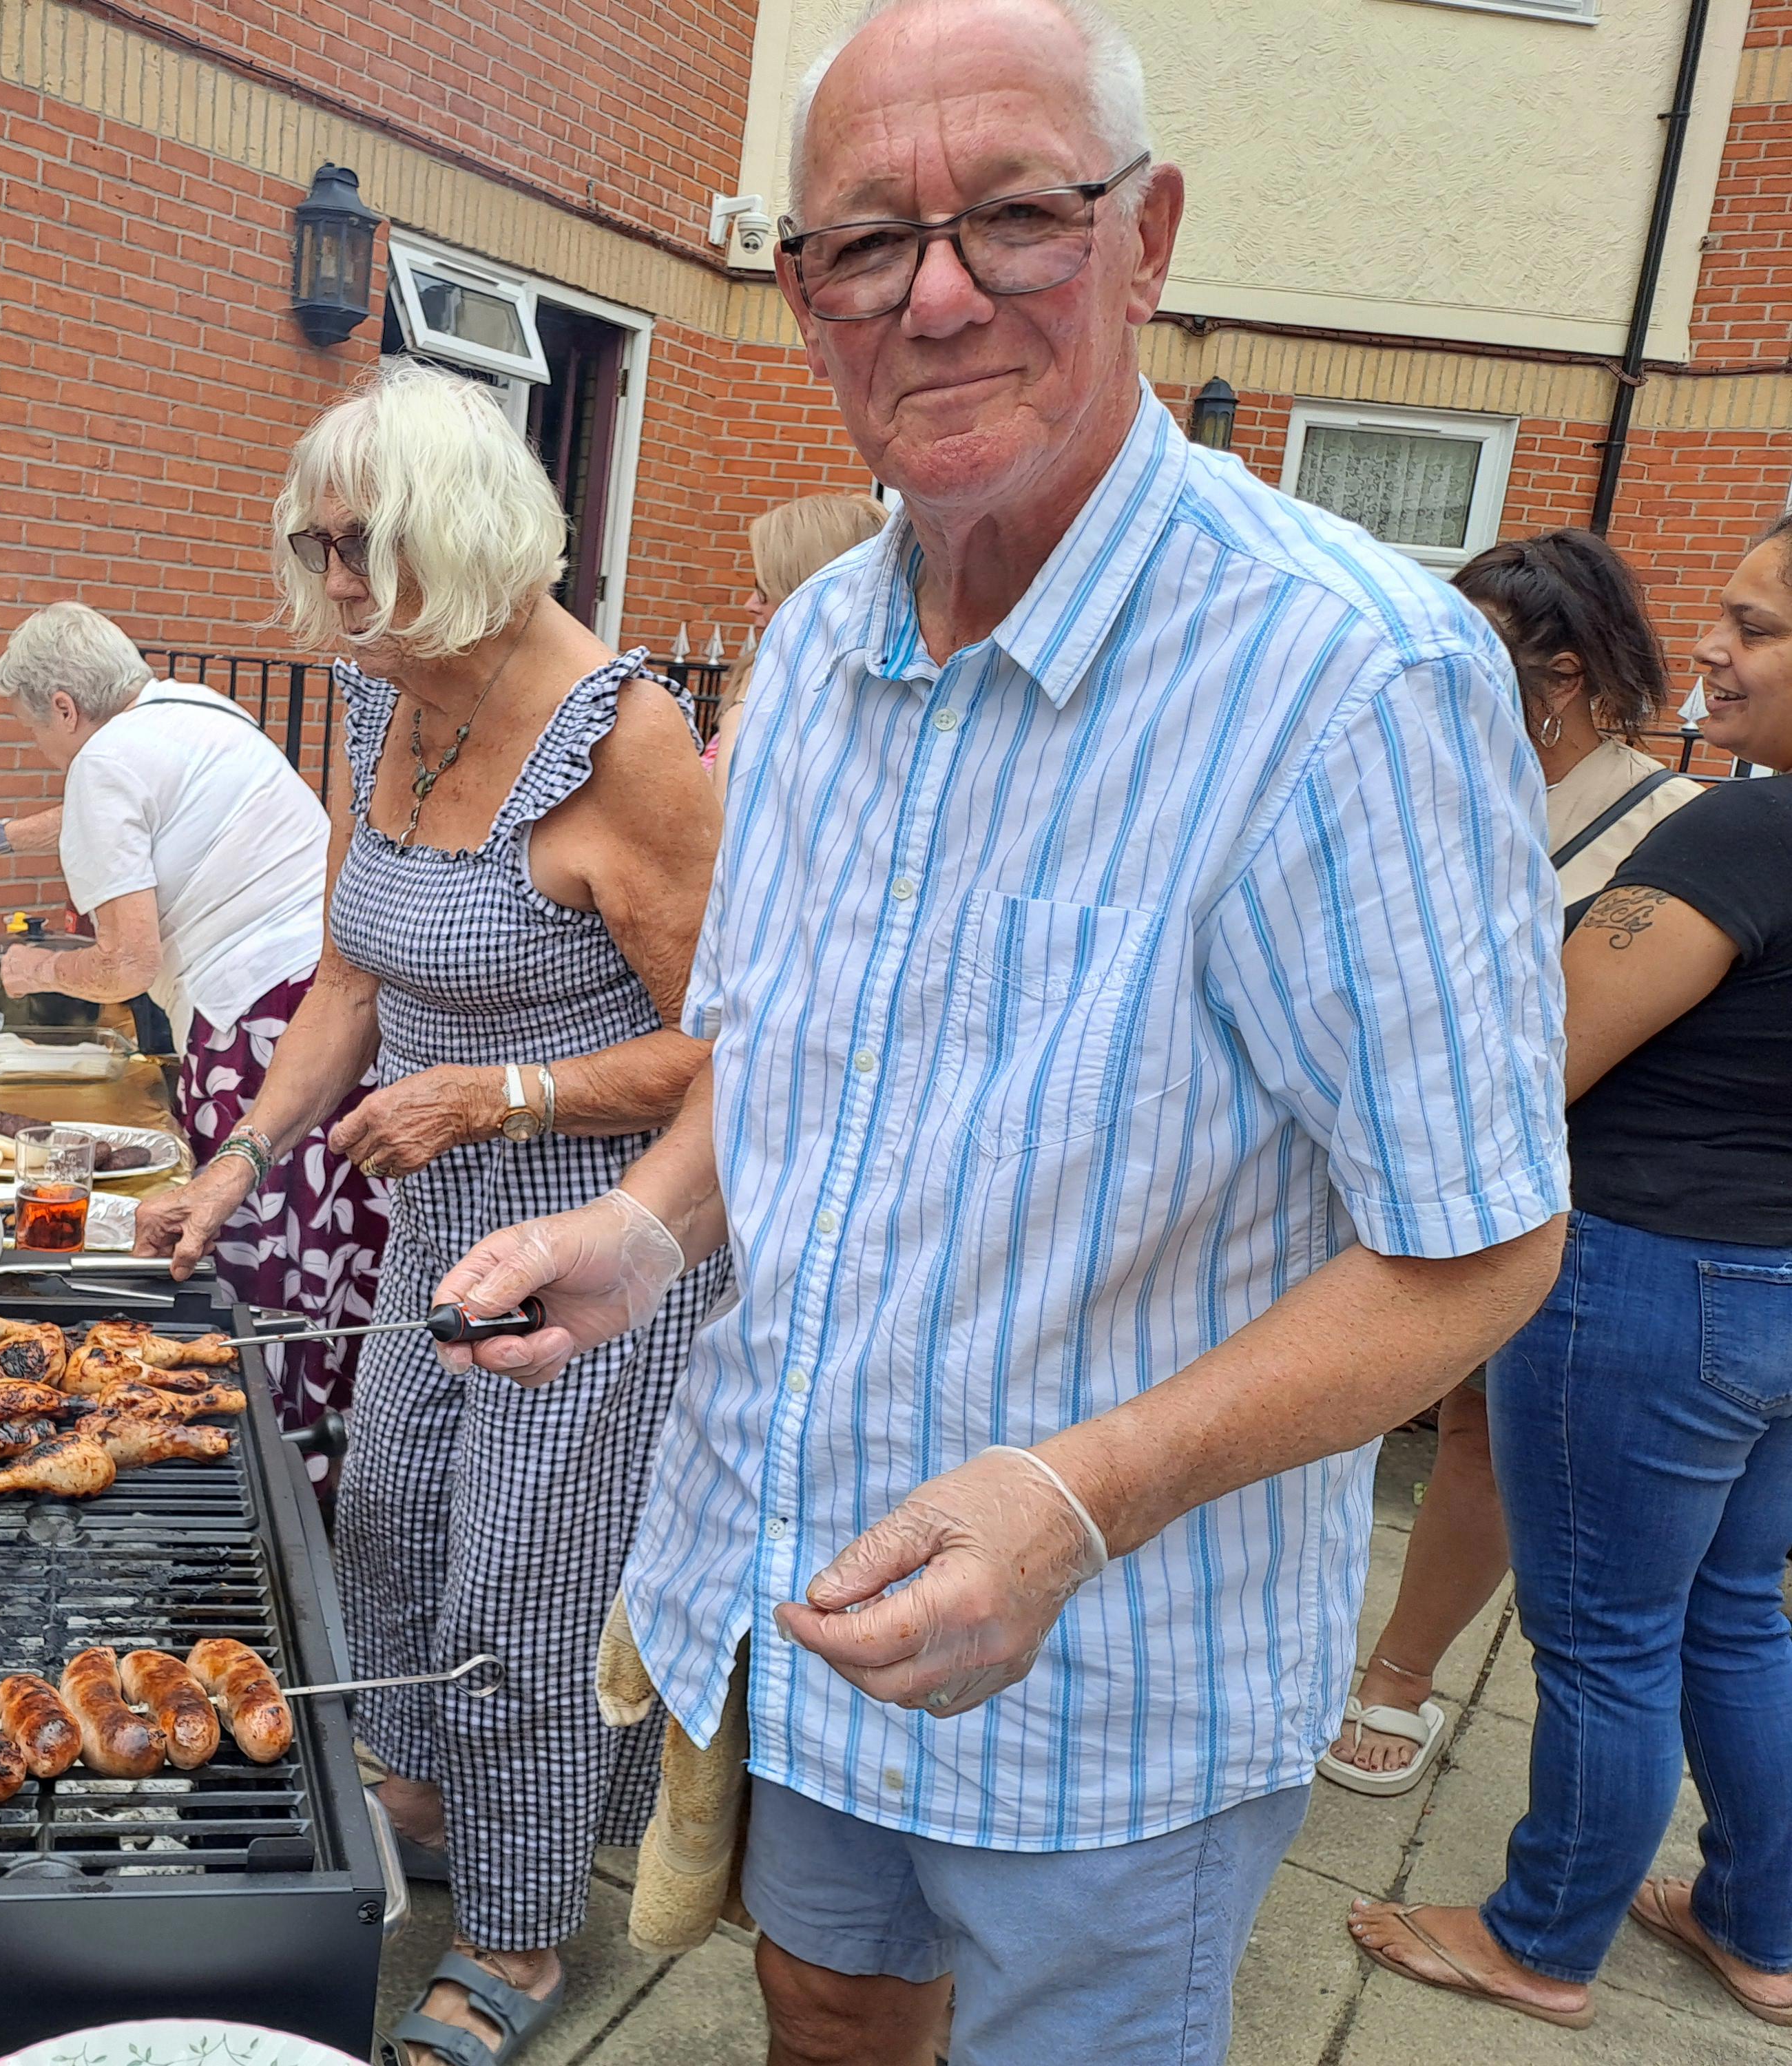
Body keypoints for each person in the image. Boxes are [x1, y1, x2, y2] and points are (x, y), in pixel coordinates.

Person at [428, 3, 1571, 2061]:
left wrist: (1075, 1498)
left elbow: (1482, 1239)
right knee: (826, 2008)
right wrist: (649, 1230)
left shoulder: (1354, 679)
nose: (935, 294)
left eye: (1013, 221)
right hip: (791, 1590)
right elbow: (788, 1050)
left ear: (1143, 240)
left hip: (1117, 1667)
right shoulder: (816, 649)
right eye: (866, 243)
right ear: (799, 297)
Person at [134, 361, 728, 2066]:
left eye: (360, 549)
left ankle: (526, 1936)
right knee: (384, 1522)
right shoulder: (389, 699)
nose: (328, 590)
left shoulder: (629, 742)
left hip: (604, 1236)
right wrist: (238, 1161)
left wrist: (496, 1093)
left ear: (464, 543)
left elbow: (731, 1046)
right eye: (314, 545)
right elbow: (353, 970)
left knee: (522, 1591)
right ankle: (422, 1805)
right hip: (429, 1227)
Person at [1348, 523, 1792, 2031]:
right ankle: (1756, 1924)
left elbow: (1532, 1065)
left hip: (1647, 1282)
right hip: (1775, 1281)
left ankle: (1536, 1940)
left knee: (1601, 1631)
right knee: (1733, 1611)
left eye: (1751, 625)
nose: (1711, 651)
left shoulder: (1736, 833)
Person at [1321, 530, 1700, 1795]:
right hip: (1371, 1150)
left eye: (1485, 656)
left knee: (1485, 1427)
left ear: (1576, 675)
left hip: (1565, 1175)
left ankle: (1400, 1675)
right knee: (1337, 1399)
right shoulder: (1431, 787)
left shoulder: (1667, 825)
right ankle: (1299, 1639)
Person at [0, 602, 388, 1449]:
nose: (44, 751)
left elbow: (125, 966)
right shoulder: (199, 709)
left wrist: (35, 971)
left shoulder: (103, 761)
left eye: (34, 729)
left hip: (257, 1014)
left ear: (63, 706)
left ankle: (265, 1437)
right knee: (330, 1224)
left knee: (256, 1234)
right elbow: (122, 814)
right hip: (333, 992)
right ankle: (339, 1424)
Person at [706, 492, 888, 786]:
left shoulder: (841, 711)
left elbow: (728, 812)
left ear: (805, 589)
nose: (750, 604)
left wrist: (740, 708)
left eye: (764, 589)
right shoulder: (783, 678)